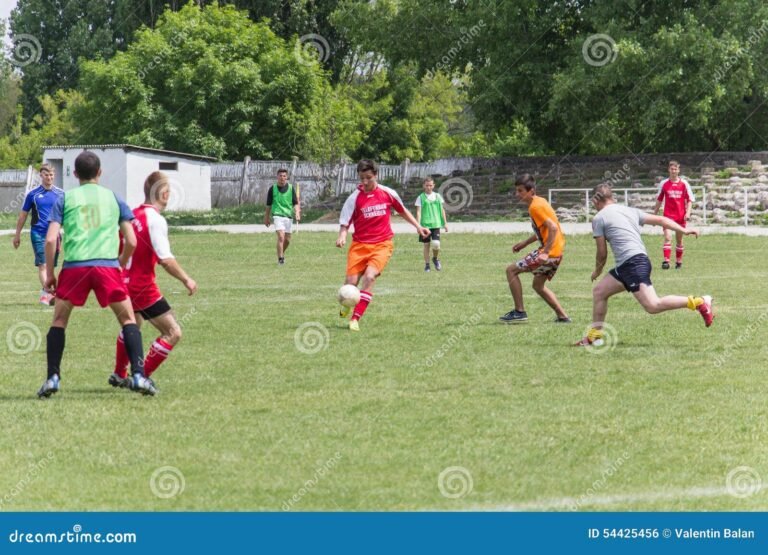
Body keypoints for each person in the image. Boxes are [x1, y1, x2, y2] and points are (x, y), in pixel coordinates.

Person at [37, 151, 156, 398]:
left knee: (59, 321)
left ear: (76, 174)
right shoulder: (114, 198)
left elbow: (50, 240)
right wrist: (120, 263)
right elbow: (132, 240)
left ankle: (52, 378)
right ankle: (138, 376)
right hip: (107, 267)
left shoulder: (65, 199)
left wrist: (49, 274)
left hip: (74, 268)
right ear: (100, 173)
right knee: (128, 321)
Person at [576, 183, 713, 347]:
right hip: (631, 263)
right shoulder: (629, 210)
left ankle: (699, 302)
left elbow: (602, 253)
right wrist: (683, 230)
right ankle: (594, 338)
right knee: (599, 292)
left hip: (633, 265)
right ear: (612, 197)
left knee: (653, 305)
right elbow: (661, 219)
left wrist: (597, 271)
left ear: (595, 201)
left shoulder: (599, 218)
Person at [110, 171, 198, 390]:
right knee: (173, 332)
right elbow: (165, 260)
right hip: (142, 287)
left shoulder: (130, 215)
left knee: (133, 325)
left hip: (122, 283)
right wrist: (186, 279)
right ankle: (142, 375)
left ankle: (120, 373)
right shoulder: (155, 220)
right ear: (165, 193)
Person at [336, 159, 430, 331]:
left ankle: (355, 319)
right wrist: (342, 236)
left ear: (376, 175)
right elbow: (345, 222)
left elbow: (402, 210)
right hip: (359, 246)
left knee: (370, 277)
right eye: (361, 178)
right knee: (350, 284)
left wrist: (418, 227)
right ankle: (346, 302)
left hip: (382, 244)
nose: (364, 182)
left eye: (368, 178)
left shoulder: (387, 193)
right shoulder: (354, 198)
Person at [500, 174, 571, 324]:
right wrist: (524, 243)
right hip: (557, 252)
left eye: (520, 191)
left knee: (511, 270)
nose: (517, 194)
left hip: (549, 252)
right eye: (517, 191)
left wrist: (545, 253)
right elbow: (544, 229)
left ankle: (519, 311)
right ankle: (563, 317)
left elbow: (552, 228)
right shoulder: (541, 201)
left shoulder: (535, 207)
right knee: (538, 286)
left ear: (531, 191)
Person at [13, 163, 64, 305]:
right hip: (38, 233)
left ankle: (45, 292)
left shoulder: (61, 194)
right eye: (46, 175)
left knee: (51, 266)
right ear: (41, 176)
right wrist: (17, 235)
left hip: (55, 235)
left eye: (52, 175)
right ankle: (49, 294)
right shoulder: (33, 195)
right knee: (42, 264)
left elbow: (66, 214)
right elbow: (23, 215)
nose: (49, 177)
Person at [653, 160, 695, 269]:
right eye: (672, 169)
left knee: (679, 240)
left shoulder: (684, 184)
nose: (673, 171)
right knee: (667, 237)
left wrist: (688, 213)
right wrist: (655, 214)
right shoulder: (664, 184)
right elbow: (659, 199)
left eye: (675, 169)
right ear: (669, 170)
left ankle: (678, 262)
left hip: (680, 216)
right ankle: (666, 261)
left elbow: (690, 200)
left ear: (678, 170)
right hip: (667, 216)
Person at [264, 169, 300, 265]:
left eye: (284, 176)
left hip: (288, 216)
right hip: (277, 215)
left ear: (286, 177)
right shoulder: (272, 189)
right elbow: (268, 205)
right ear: (277, 177)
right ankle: (281, 259)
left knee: (287, 240)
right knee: (281, 236)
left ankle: (281, 253)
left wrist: (297, 212)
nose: (282, 178)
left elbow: (296, 203)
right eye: (280, 176)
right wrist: (266, 218)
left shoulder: (291, 188)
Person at [414, 177, 448, 272]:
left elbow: (442, 210)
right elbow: (418, 212)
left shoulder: (437, 196)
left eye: (430, 185)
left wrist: (445, 223)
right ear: (423, 186)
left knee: (436, 244)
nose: (429, 187)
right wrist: (418, 225)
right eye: (427, 185)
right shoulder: (420, 197)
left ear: (433, 186)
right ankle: (427, 265)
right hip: (425, 226)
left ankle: (435, 259)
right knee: (426, 245)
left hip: (436, 224)